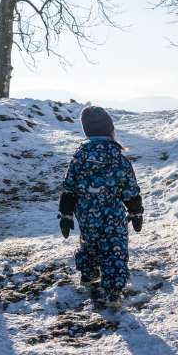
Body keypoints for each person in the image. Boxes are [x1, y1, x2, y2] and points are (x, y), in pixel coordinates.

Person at [58, 106, 143, 308]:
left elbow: (69, 187)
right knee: (114, 249)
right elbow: (129, 188)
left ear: (87, 131)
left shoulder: (79, 157)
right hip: (113, 215)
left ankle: (88, 274)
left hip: (87, 214)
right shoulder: (118, 157)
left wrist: (66, 214)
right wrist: (135, 210)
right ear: (110, 130)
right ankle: (113, 292)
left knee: (89, 242)